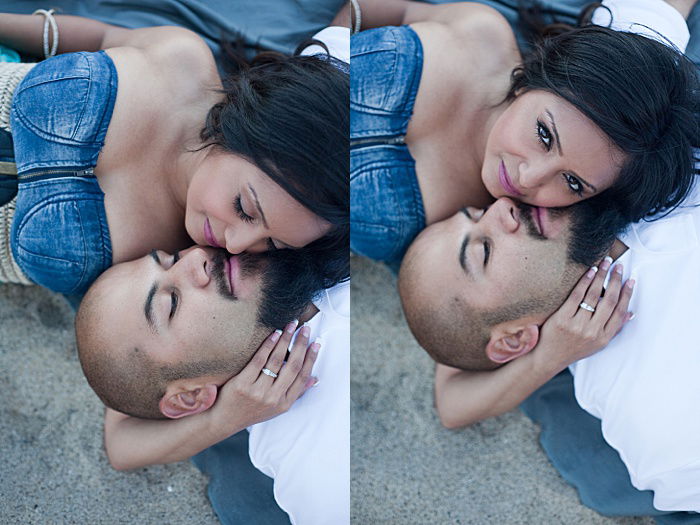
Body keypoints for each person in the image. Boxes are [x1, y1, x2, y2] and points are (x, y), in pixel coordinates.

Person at [0, 7, 349, 297]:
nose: (238, 244)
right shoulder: (182, 60)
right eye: (244, 209)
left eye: (273, 245)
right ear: (246, 128)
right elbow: (99, 37)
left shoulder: (180, 264)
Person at [397, 186, 700, 517]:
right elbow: (452, 396)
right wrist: (547, 357)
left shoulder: (586, 180)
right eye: (484, 251)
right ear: (513, 340)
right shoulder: (663, 430)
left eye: (479, 211)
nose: (502, 206)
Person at [350, 0, 699, 267]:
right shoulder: (481, 33)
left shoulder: (495, 239)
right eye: (545, 136)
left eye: (573, 182)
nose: (529, 179)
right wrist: (319, 53)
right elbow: (366, 9)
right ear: (529, 84)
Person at [75, 245, 350, 524]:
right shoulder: (318, 473)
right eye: (172, 304)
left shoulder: (274, 241)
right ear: (191, 396)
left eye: (173, 257)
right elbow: (121, 438)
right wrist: (222, 418)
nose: (196, 256)